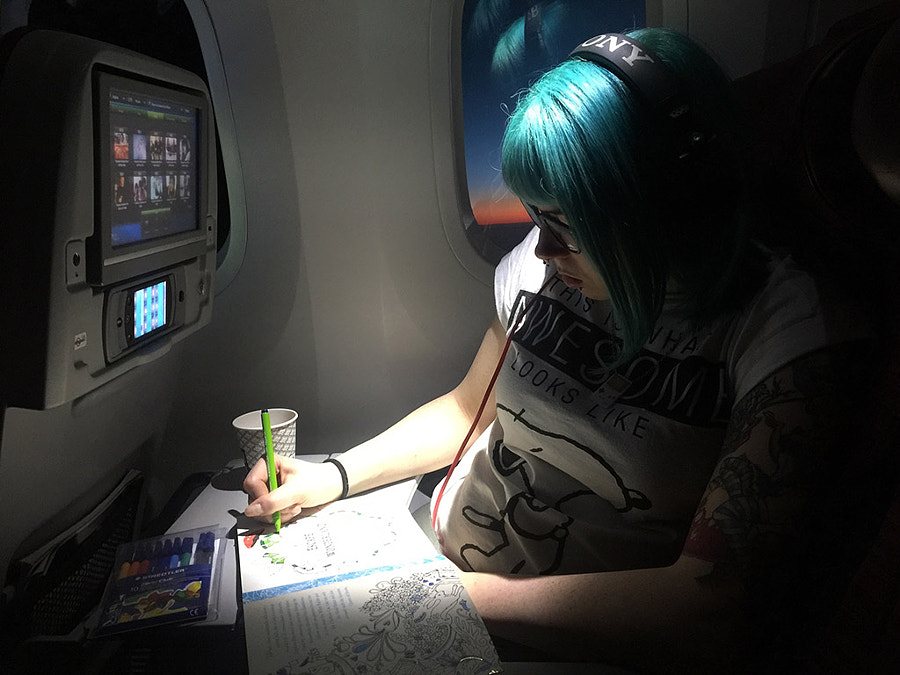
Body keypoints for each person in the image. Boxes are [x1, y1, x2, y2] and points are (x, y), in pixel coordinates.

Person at [244, 27, 871, 672]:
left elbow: (709, 608)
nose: (542, 252)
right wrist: (336, 476)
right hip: (430, 553)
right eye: (538, 219)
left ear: (671, 206)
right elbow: (467, 411)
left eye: (571, 226)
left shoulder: (785, 335)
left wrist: (445, 601)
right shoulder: (546, 270)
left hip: (553, 635)